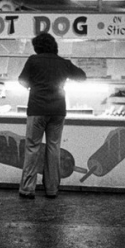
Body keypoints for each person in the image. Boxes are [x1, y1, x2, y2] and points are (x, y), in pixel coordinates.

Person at [17, 32, 86, 199]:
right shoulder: (63, 62)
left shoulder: (33, 60)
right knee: (53, 147)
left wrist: (34, 86)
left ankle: (27, 189)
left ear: (37, 47)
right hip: (58, 110)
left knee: (33, 147)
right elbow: (82, 77)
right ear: (54, 46)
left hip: (37, 109)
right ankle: (52, 189)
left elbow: (22, 80)